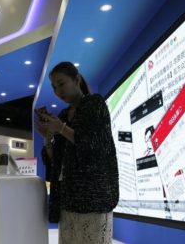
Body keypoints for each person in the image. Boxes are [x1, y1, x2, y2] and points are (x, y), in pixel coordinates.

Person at [35, 62, 119, 244]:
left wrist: (62, 128)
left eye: (61, 83)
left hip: (93, 198)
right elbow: (56, 162)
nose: (58, 91)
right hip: (69, 198)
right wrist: (48, 137)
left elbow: (96, 147)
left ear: (76, 79)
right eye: (54, 87)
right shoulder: (64, 115)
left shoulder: (94, 104)